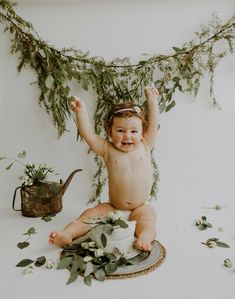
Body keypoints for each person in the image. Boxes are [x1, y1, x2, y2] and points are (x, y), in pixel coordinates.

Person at [49, 83, 160, 251]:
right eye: (121, 130)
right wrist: (81, 112)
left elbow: (154, 123)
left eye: (134, 131)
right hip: (113, 207)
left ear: (142, 132)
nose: (127, 136)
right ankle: (68, 234)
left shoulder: (145, 145)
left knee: (149, 217)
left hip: (139, 207)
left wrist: (152, 99)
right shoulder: (107, 149)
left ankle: (144, 237)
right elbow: (88, 134)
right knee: (89, 215)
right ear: (110, 132)